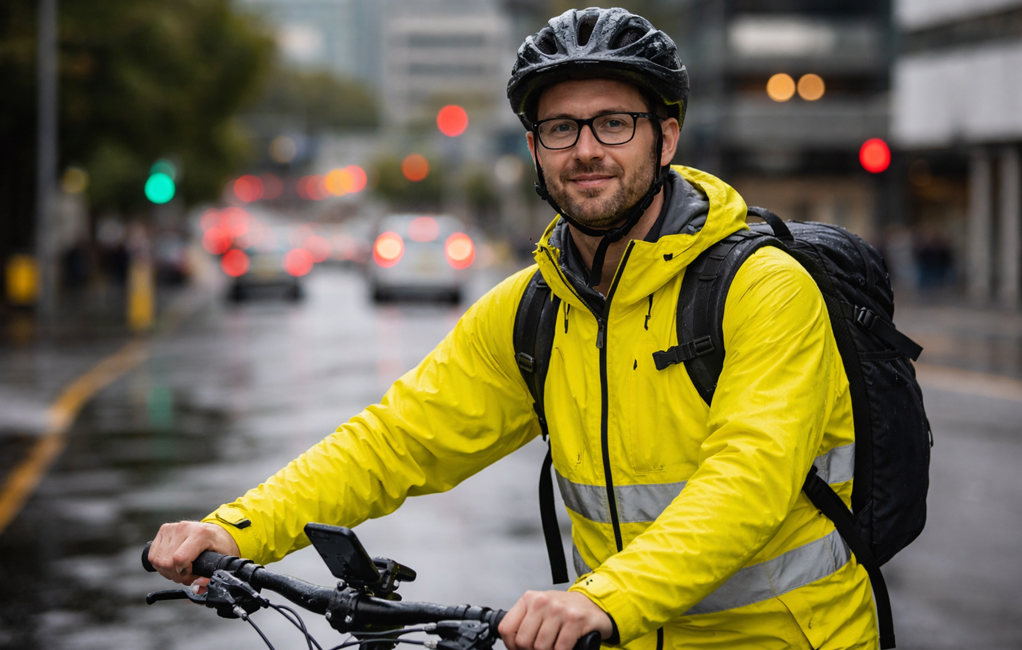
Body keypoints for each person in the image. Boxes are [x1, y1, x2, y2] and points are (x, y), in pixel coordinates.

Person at [149, 8, 878, 650]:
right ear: (534, 149)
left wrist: (599, 598)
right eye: (561, 127)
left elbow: (745, 486)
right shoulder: (535, 309)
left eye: (614, 123)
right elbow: (397, 438)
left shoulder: (763, 289)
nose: (586, 149)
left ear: (666, 137)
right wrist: (237, 529)